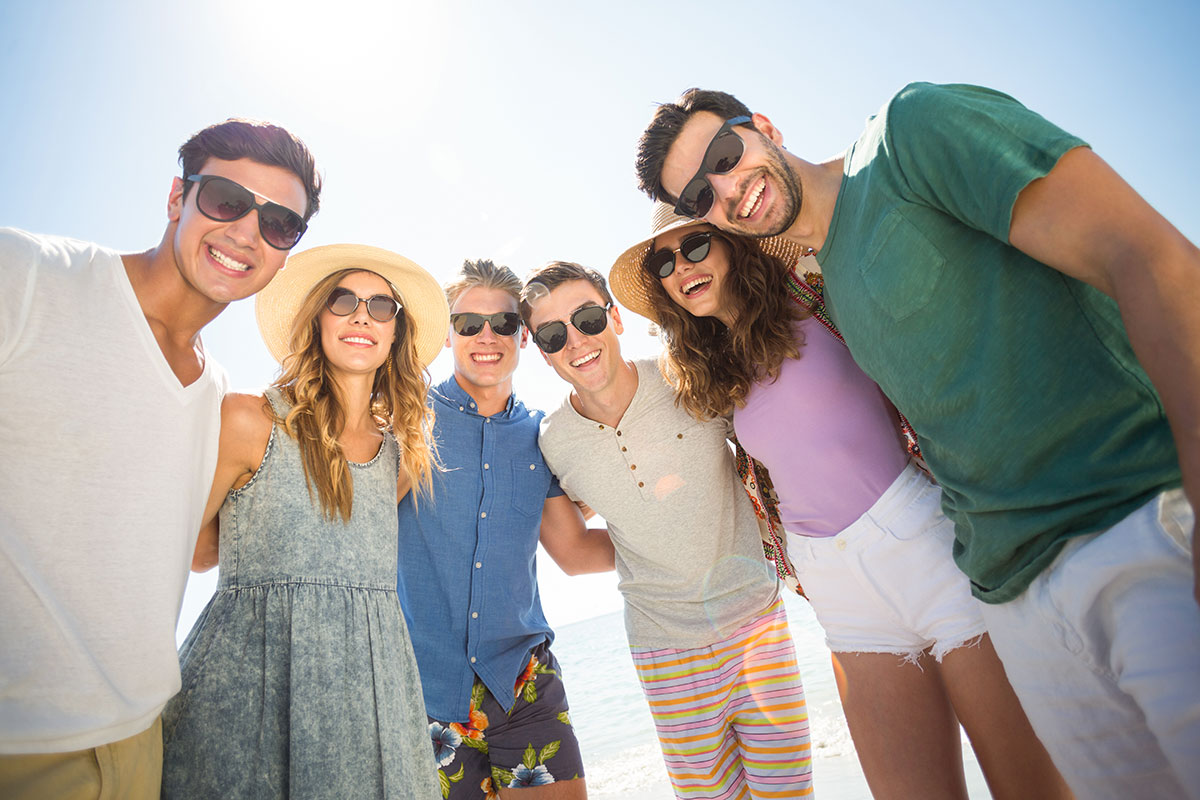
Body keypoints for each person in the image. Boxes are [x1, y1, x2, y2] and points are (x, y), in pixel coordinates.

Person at [635, 83, 1199, 798]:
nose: (723, 190)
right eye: (694, 200)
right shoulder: (821, 287)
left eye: (725, 154)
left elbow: (1147, 255)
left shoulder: (904, 139)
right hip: (1009, 586)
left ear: (765, 126)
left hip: (1130, 519)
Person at [609, 201, 1069, 799]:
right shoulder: (710, 368)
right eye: (664, 260)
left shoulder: (814, 289)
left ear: (731, 245)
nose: (681, 266)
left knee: (1030, 785)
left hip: (927, 546)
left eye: (696, 245)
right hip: (836, 587)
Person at [0, 119, 319, 799]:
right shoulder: (27, 279)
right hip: (19, 748)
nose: (245, 233)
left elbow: (193, 549)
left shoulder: (218, 396)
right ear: (177, 197)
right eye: (227, 199)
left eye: (279, 223)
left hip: (143, 742)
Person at [160, 244, 447, 798]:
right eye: (343, 301)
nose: (362, 315)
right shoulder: (249, 420)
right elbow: (194, 552)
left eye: (381, 307)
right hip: (252, 682)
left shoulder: (401, 458)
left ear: (395, 335)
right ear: (317, 319)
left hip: (371, 690)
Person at [523, 262, 814, 800]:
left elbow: (771, 449)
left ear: (615, 317)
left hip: (756, 627)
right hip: (665, 656)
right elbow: (572, 552)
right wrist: (648, 546)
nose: (576, 340)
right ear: (540, 350)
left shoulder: (687, 374)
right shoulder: (550, 443)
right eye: (553, 333)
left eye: (587, 317)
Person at [397, 258, 611, 799]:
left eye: (504, 324)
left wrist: (671, 537)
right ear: (448, 335)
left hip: (524, 681)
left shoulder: (542, 437)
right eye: (469, 324)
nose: (486, 336)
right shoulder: (403, 421)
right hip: (420, 693)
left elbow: (576, 552)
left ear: (525, 337)